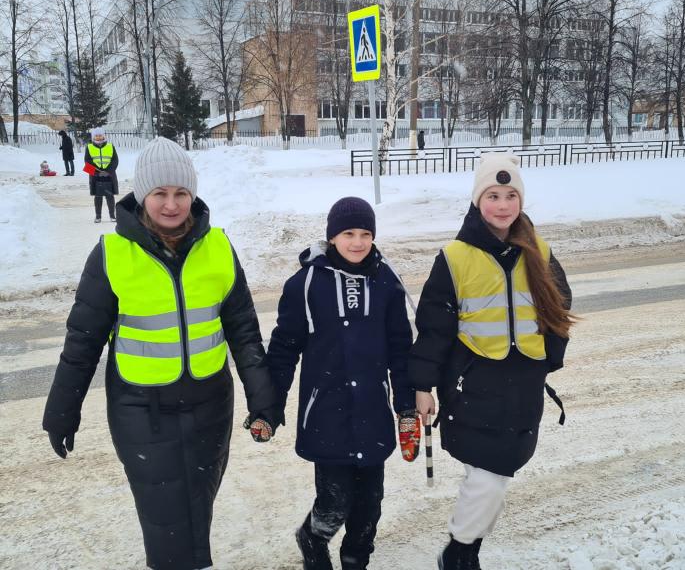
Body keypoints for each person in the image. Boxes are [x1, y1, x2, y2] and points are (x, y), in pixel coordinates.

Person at [43, 137, 281, 570]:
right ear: (141, 195)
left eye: (181, 193)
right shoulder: (112, 255)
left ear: (192, 195)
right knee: (165, 517)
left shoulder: (219, 249)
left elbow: (244, 332)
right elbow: (81, 343)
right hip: (142, 410)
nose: (171, 205)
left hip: (210, 406)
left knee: (196, 506)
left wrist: (263, 398)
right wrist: (61, 410)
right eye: (160, 194)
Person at [409, 153, 576, 570]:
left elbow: (560, 306)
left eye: (510, 196)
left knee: (499, 476)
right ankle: (458, 553)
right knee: (486, 477)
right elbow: (433, 329)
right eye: (493, 196)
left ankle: (467, 550)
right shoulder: (455, 257)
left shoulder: (539, 250)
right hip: (474, 386)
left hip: (523, 387)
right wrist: (423, 387)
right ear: (477, 200)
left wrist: (547, 359)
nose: (502, 205)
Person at [264, 196, 418, 570]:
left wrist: (406, 406)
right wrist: (268, 407)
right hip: (326, 415)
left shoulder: (387, 283)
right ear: (332, 236)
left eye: (365, 233)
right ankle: (313, 540)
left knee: (369, 508)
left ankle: (356, 560)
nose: (358, 242)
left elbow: (401, 349)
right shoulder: (306, 283)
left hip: (373, 411)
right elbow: (284, 348)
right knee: (334, 503)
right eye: (348, 233)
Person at [85, 127, 119, 223]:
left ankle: (112, 216)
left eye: (100, 135)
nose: (99, 137)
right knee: (98, 196)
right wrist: (97, 172)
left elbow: (115, 160)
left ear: (103, 136)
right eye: (96, 135)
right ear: (93, 137)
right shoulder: (89, 147)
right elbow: (87, 162)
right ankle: (98, 216)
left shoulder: (110, 146)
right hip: (96, 176)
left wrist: (108, 171)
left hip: (108, 175)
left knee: (110, 196)